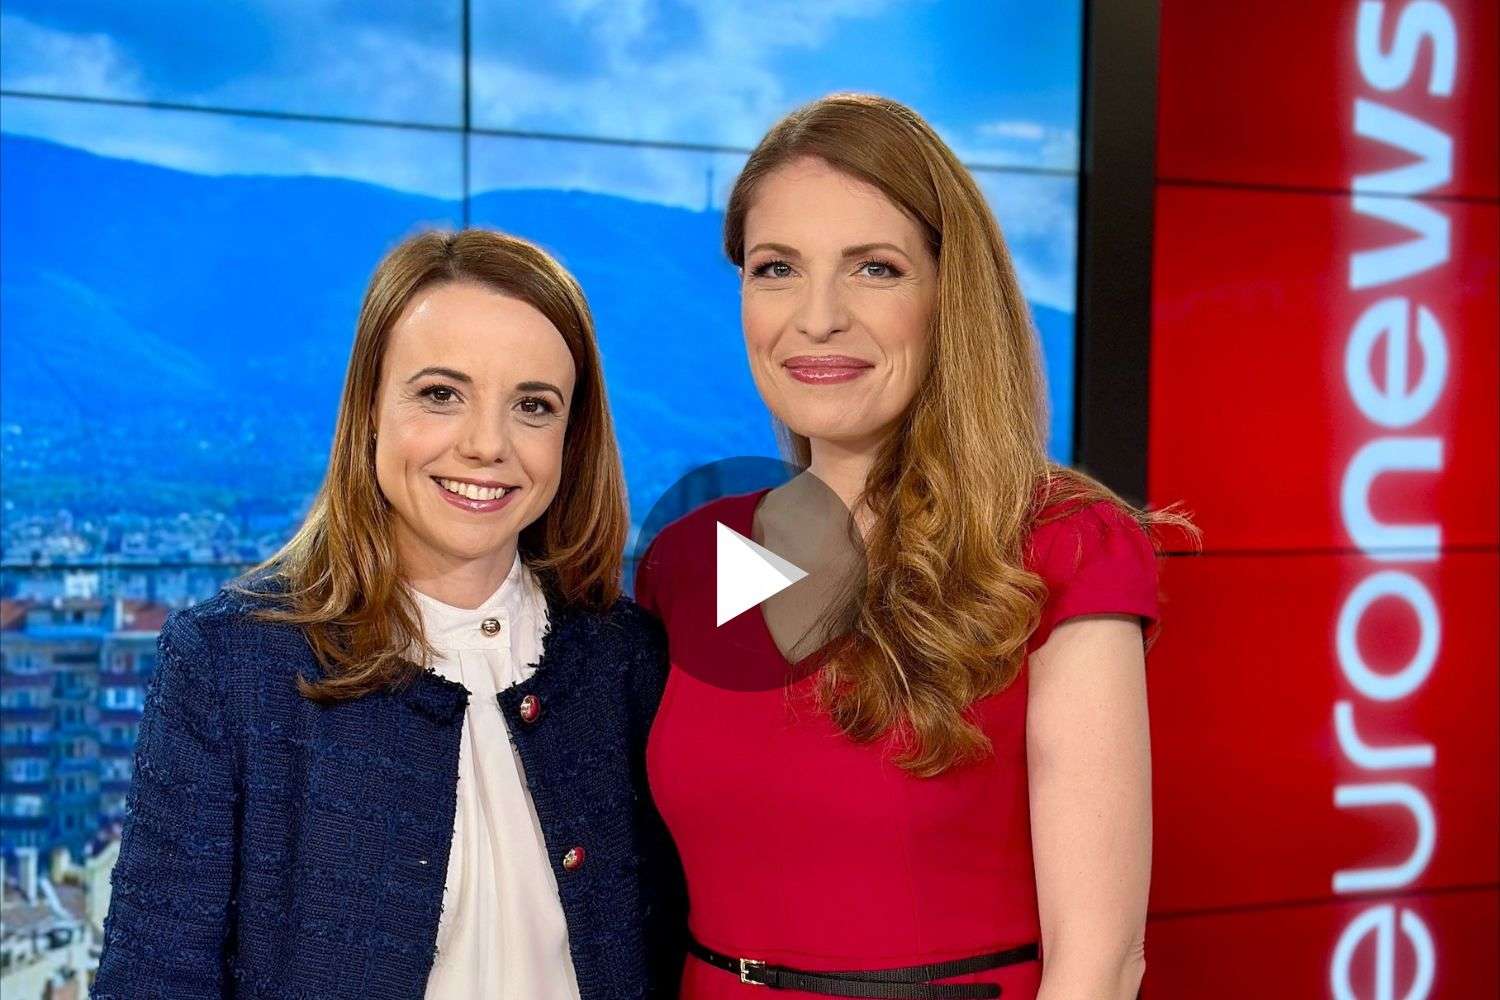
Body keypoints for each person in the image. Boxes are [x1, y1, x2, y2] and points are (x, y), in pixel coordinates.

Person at [635, 94, 1195, 1000]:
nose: (817, 317)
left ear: (949, 295)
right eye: (777, 268)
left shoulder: (1064, 546)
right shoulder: (692, 556)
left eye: (875, 269)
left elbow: (1100, 961)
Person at [93, 228, 685, 999]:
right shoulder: (229, 665)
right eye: (441, 394)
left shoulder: (628, 662)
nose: (487, 444)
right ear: (370, 407)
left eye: (533, 406)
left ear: (572, 438)